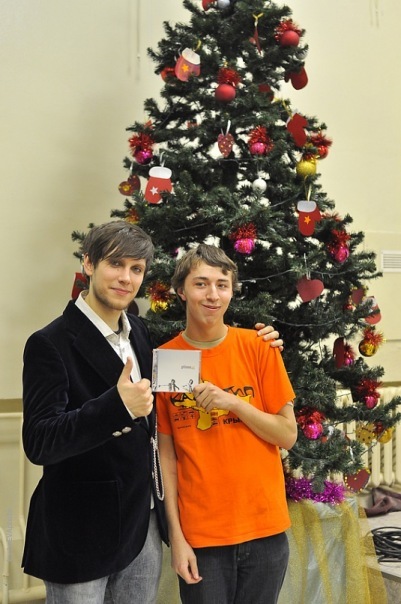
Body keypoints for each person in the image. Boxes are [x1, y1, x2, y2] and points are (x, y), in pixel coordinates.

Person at [21, 221, 283, 604]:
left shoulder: (141, 334)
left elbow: (202, 340)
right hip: (80, 531)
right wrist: (115, 408)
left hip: (141, 526)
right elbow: (40, 442)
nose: (125, 278)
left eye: (137, 269)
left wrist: (264, 339)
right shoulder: (49, 343)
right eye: (116, 264)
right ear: (89, 264)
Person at [157, 244, 297, 604]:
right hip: (202, 537)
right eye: (201, 284)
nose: (213, 295)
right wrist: (177, 537)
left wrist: (233, 402)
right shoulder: (167, 360)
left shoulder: (259, 347)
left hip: (265, 531)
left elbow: (287, 435)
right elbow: (166, 459)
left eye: (222, 285)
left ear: (232, 291)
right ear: (181, 290)